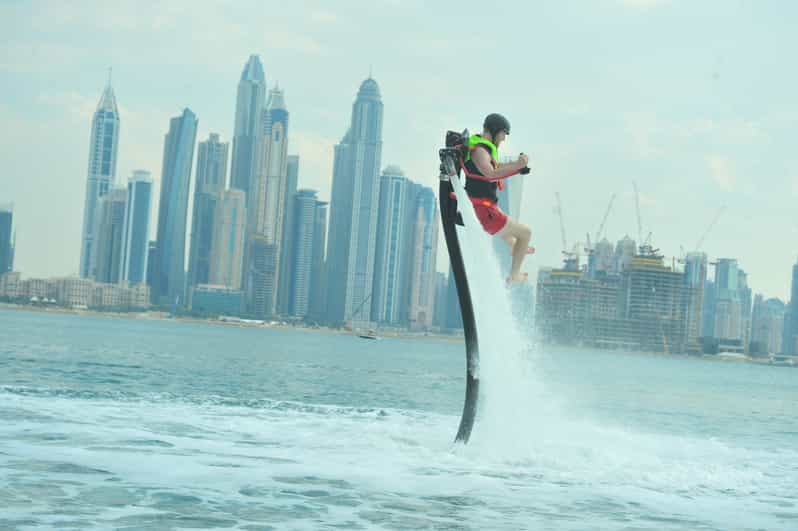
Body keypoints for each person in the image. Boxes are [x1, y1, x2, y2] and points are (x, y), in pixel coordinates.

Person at [463, 113, 533, 284]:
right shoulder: (480, 150)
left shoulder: (483, 150)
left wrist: (517, 167)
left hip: (484, 210)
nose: (503, 139)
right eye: (503, 134)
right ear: (494, 131)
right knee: (525, 233)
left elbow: (496, 167)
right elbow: (491, 173)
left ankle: (514, 247)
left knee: (512, 237)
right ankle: (514, 274)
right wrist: (518, 165)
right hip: (486, 212)